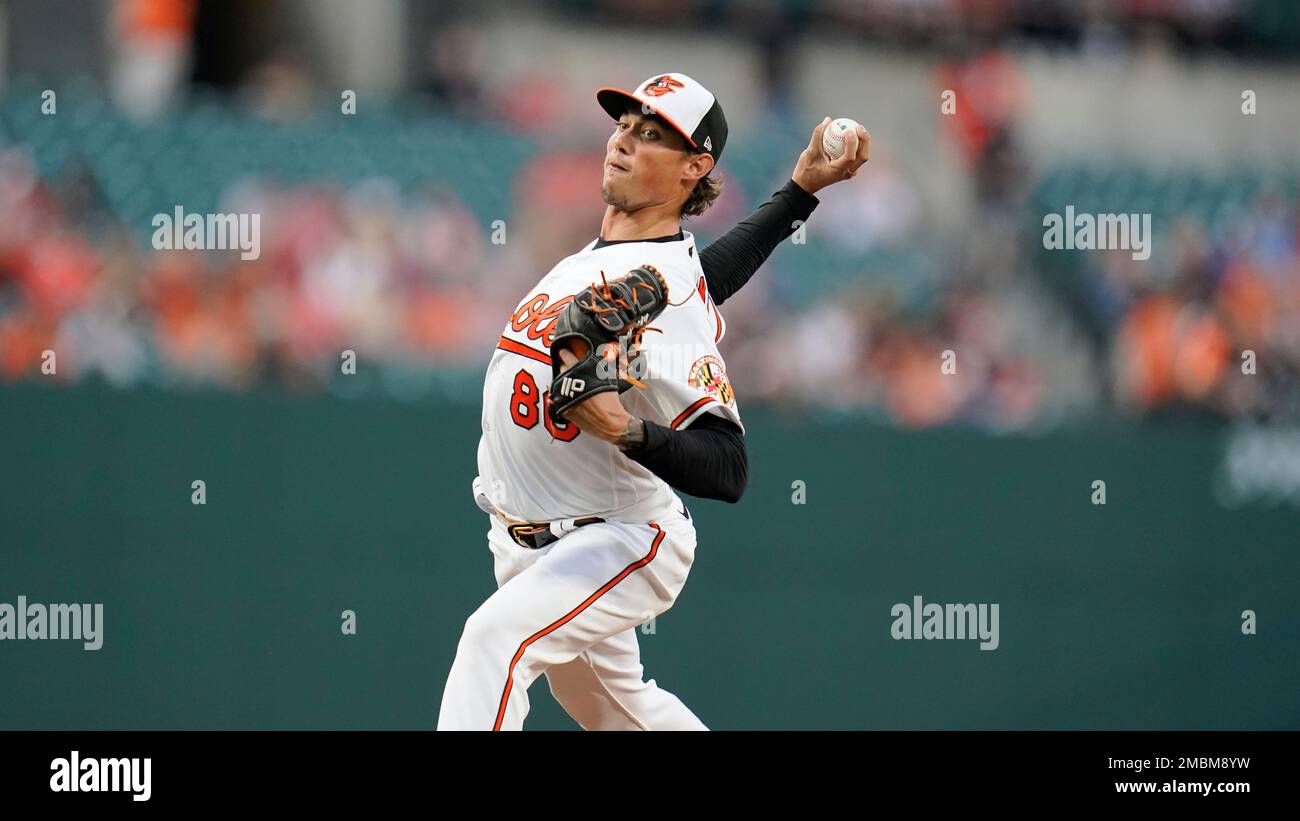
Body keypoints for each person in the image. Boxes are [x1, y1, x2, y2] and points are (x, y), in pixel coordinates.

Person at [437, 73, 869, 730]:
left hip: (615, 536)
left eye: (652, 136)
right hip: (529, 540)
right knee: (618, 713)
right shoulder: (624, 263)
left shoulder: (663, 296)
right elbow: (703, 280)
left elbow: (728, 466)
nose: (624, 143)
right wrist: (798, 193)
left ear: (695, 167)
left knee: (492, 643)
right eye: (625, 127)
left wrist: (625, 430)